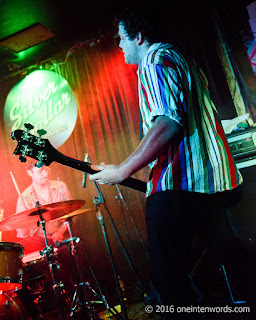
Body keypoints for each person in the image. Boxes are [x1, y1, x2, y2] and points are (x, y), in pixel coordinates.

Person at [89, 7, 256, 319]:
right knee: (230, 257)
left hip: (179, 185)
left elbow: (168, 121)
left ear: (138, 36)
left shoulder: (153, 59)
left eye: (122, 38)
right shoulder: (181, 58)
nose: (120, 45)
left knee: (168, 284)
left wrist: (124, 170)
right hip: (208, 184)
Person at [16, 160, 72, 254]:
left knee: (69, 251)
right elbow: (22, 233)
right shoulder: (24, 198)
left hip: (62, 237)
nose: (45, 174)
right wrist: (23, 222)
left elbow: (71, 215)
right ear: (30, 173)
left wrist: (60, 232)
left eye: (46, 170)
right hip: (38, 241)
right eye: (41, 171)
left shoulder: (60, 187)